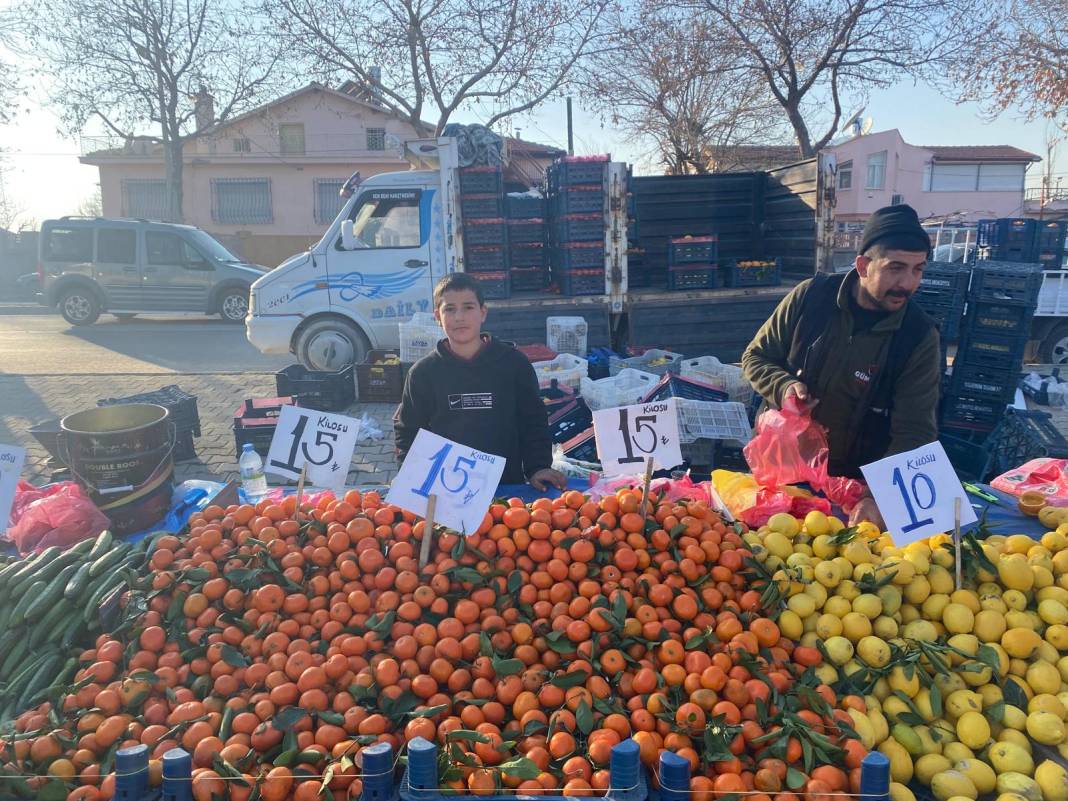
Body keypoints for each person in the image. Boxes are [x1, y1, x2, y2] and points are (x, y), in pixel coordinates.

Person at [741, 204, 942, 527]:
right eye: (895, 268)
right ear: (863, 265)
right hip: (782, 471)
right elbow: (756, 357)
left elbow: (915, 430)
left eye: (918, 269)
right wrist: (784, 387)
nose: (907, 283)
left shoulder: (918, 337)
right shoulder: (811, 298)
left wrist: (877, 498)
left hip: (854, 491)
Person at [394, 272, 569, 492]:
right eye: (449, 309)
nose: (459, 317)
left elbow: (533, 421)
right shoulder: (423, 373)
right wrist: (409, 476)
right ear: (437, 316)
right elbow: (408, 431)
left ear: (483, 313)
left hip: (506, 488)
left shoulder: (513, 364)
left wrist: (538, 467)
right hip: (446, 492)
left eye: (468, 307)